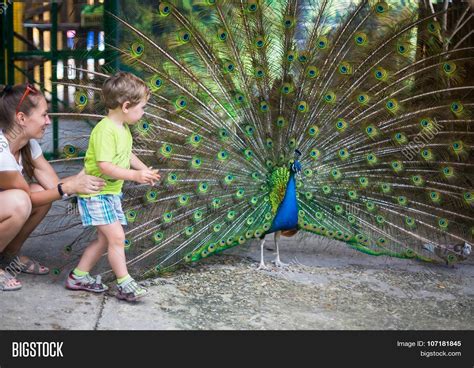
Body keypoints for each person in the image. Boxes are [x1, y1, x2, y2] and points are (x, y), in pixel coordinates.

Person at [0, 83, 106, 291]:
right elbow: (31, 198)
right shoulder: (2, 154)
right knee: (21, 202)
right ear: (21, 118)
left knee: (41, 193)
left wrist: (84, 177)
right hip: (14, 202)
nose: (48, 121)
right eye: (44, 115)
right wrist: (68, 188)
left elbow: (52, 184)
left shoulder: (27, 145)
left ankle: (8, 255)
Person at [66, 72, 160, 302]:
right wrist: (135, 176)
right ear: (126, 106)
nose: (144, 112)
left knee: (104, 240)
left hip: (109, 194)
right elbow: (105, 166)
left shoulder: (122, 129)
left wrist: (144, 169)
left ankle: (78, 276)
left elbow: (127, 154)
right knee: (117, 237)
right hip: (96, 193)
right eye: (142, 108)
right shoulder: (105, 130)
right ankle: (124, 283)